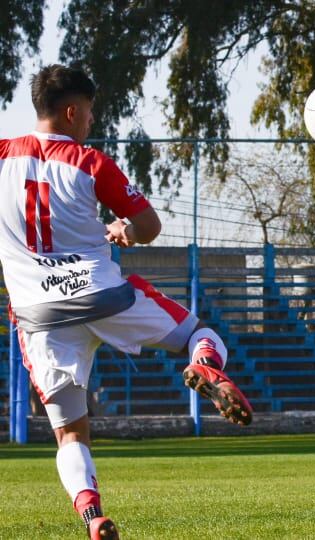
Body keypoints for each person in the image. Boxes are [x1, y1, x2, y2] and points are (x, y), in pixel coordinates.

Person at [0, 65, 253, 540]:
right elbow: (149, 224)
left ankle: (93, 517)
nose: (91, 121)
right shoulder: (91, 162)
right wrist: (126, 231)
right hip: (104, 294)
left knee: (70, 434)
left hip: (39, 316)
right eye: (90, 112)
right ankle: (204, 365)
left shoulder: (2, 156)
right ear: (72, 111)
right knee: (203, 335)